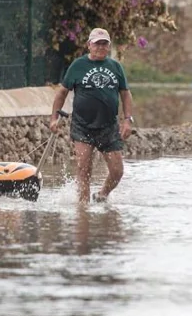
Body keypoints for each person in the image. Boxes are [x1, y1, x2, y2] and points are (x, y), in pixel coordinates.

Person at [49, 27, 134, 204]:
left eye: (105, 44)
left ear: (109, 46)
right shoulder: (78, 66)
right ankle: (83, 209)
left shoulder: (115, 67)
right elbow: (61, 93)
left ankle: (102, 194)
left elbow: (125, 94)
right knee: (84, 168)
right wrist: (54, 118)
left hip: (108, 127)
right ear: (89, 45)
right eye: (97, 44)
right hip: (83, 126)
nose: (101, 47)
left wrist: (127, 120)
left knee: (117, 171)